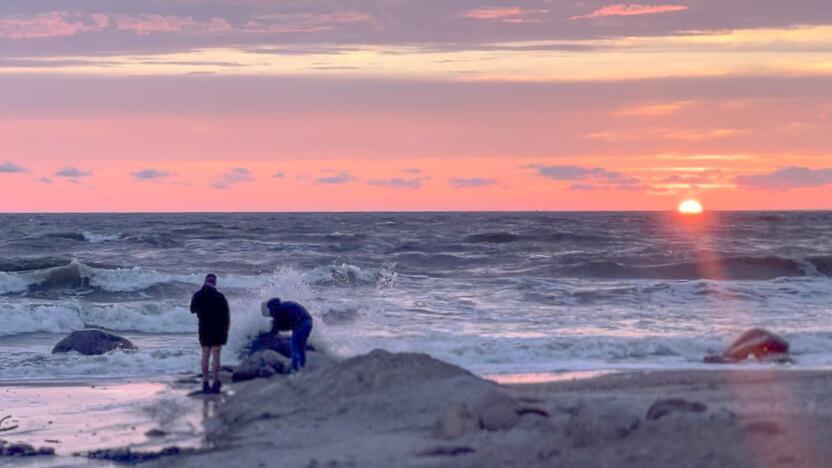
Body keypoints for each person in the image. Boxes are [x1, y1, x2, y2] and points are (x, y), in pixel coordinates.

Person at [190, 273, 230, 393]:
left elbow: (192, 309)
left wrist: (201, 311)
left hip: (204, 327)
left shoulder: (198, 295)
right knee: (216, 355)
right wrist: (226, 330)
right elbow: (226, 316)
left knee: (205, 354)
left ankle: (205, 382)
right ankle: (216, 382)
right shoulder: (220, 297)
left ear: (205, 281)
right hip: (218, 329)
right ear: (215, 283)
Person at [261, 298, 313, 372]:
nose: (270, 313)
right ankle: (302, 365)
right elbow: (284, 324)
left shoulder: (279, 311)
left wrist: (271, 332)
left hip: (302, 323)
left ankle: (295, 368)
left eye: (270, 310)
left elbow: (278, 326)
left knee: (295, 346)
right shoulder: (285, 305)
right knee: (301, 347)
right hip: (308, 321)